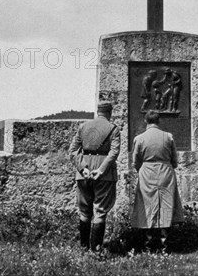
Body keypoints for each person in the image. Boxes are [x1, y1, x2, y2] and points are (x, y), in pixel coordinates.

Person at [69, 101, 120, 251]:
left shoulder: (83, 127)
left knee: (84, 212)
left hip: (83, 174)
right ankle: (96, 250)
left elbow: (73, 151)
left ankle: (83, 248)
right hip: (104, 176)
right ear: (109, 113)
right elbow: (114, 152)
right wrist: (102, 169)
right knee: (100, 211)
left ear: (98, 112)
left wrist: (83, 168)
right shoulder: (113, 129)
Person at [131, 110, 184, 249]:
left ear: (145, 121)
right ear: (159, 121)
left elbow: (135, 161)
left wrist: (141, 170)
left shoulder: (139, 138)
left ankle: (149, 243)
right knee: (166, 205)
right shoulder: (168, 137)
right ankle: (164, 243)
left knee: (147, 206)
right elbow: (175, 161)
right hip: (166, 173)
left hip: (147, 173)